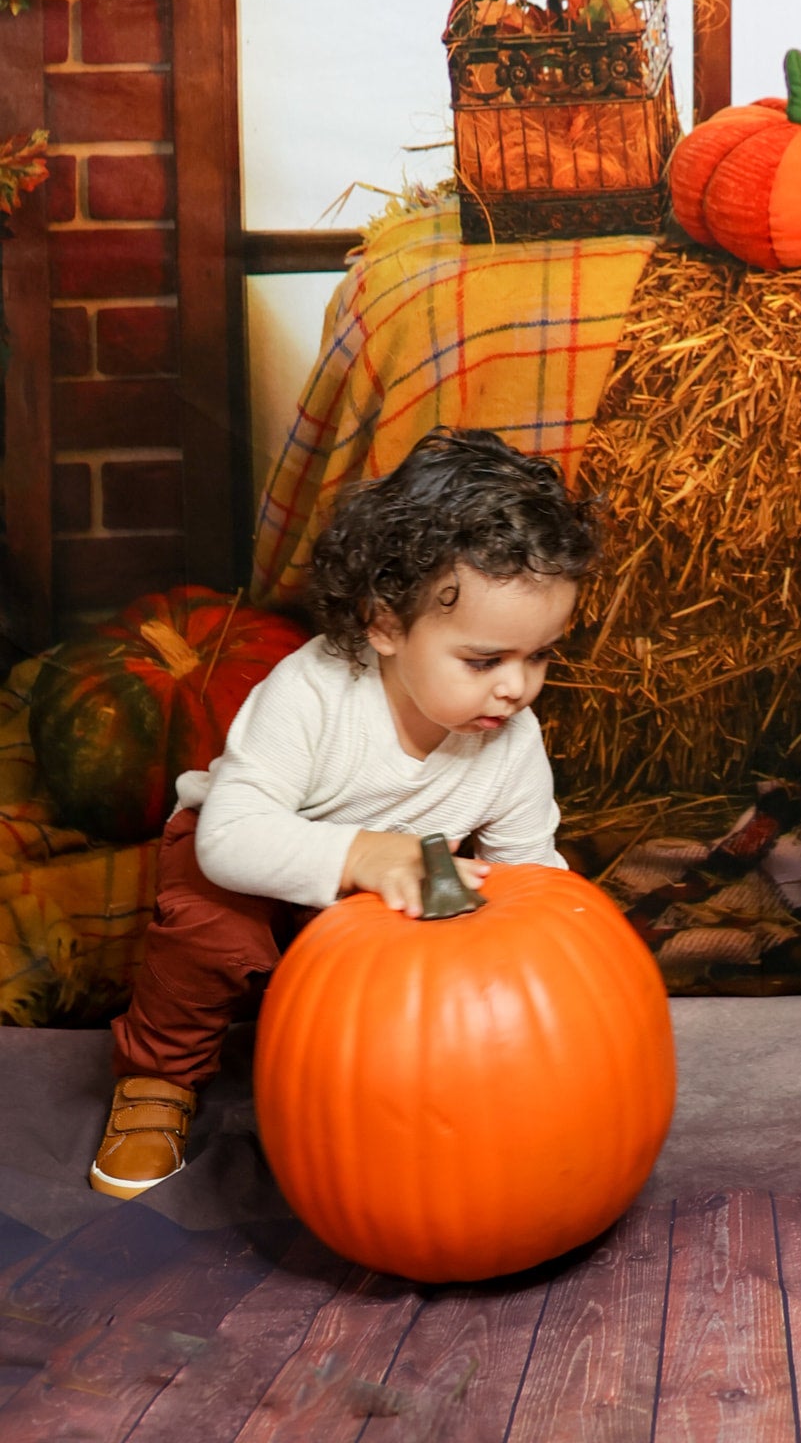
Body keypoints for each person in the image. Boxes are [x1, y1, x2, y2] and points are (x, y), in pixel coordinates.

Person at [88, 427, 599, 1200]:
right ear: (385, 624)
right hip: (247, 861)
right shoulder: (313, 694)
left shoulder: (511, 739)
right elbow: (231, 838)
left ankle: (373, 1086)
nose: (516, 687)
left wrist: (569, 969)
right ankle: (158, 1080)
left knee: (450, 940)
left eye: (540, 656)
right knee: (210, 929)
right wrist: (361, 856)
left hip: (382, 896)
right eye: (485, 659)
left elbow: (530, 874)